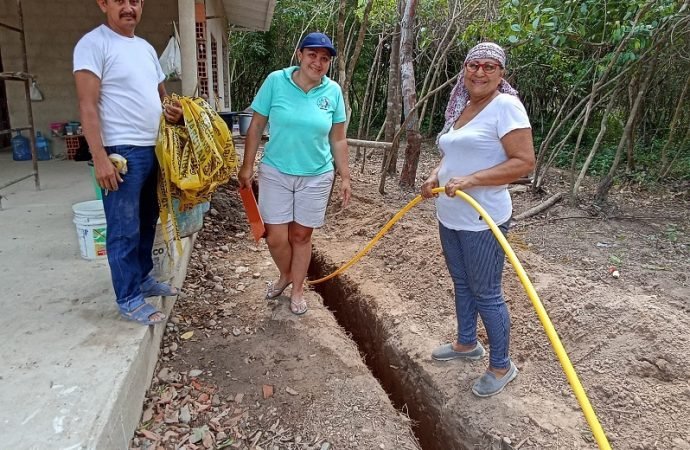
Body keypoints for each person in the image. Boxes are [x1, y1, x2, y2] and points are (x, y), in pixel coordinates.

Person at [421, 42, 535, 397]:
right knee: (461, 281)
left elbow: (523, 162)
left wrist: (473, 180)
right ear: (465, 70)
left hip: (483, 220)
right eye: (474, 65)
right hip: (450, 215)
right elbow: (452, 154)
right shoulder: (463, 106)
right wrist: (434, 174)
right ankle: (467, 343)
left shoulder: (506, 106)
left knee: (486, 293)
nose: (480, 72)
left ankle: (502, 365)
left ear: (501, 74)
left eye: (489, 66)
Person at [74, 0, 183, 325]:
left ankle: (142, 278)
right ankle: (128, 298)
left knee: (148, 220)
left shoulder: (146, 49)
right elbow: (87, 106)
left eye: (134, 1)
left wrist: (171, 111)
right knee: (123, 229)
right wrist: (100, 157)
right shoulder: (93, 45)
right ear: (104, 3)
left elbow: (161, 96)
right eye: (120, 0)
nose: (128, 7)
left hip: (153, 149)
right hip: (121, 151)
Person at [238, 32, 351, 316]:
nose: (318, 62)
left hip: (317, 174)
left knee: (301, 235)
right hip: (276, 170)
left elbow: (338, 138)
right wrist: (247, 165)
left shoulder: (333, 91)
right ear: (299, 54)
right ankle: (286, 274)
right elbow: (256, 124)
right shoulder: (276, 81)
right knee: (276, 237)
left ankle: (298, 288)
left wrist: (346, 177)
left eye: (324, 59)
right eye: (312, 55)